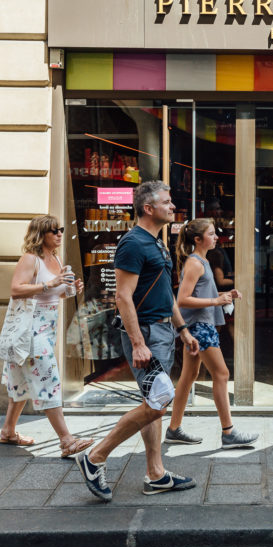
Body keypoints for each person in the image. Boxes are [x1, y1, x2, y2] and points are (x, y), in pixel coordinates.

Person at [75, 180, 201, 502]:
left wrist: (183, 329)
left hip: (162, 330)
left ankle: (156, 473)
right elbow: (123, 296)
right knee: (159, 398)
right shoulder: (132, 243)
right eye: (167, 202)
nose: (173, 207)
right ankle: (95, 457)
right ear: (149, 208)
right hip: (145, 332)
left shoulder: (156, 242)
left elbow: (165, 293)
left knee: (153, 403)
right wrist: (138, 342)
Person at [0, 215, 94, 458]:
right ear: (41, 235)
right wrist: (50, 284)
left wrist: (69, 289)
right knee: (49, 379)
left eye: (61, 229)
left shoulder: (55, 259)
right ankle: (67, 441)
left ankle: (8, 432)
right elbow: (15, 289)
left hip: (46, 330)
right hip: (30, 331)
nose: (60, 234)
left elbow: (54, 295)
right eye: (54, 231)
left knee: (20, 382)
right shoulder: (31, 259)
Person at [166, 218, 258, 448]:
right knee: (222, 374)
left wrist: (226, 294)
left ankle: (173, 429)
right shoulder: (195, 263)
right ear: (198, 239)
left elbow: (200, 293)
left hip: (199, 325)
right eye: (211, 233)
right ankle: (228, 432)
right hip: (199, 327)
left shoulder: (202, 261)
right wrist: (216, 300)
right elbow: (182, 299)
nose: (216, 237)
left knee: (188, 377)